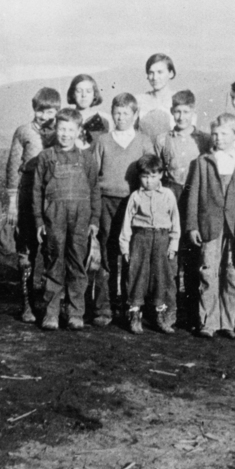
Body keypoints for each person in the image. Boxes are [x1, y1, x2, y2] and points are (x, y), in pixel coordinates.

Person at [186, 113, 235, 338]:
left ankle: (228, 322)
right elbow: (193, 195)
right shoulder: (202, 162)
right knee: (208, 272)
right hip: (209, 225)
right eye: (215, 134)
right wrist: (192, 226)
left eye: (224, 134)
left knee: (232, 273)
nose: (218, 138)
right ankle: (208, 322)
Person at [32, 108, 101, 331]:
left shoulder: (87, 158)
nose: (65, 134)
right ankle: (51, 313)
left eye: (71, 130)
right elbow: (37, 191)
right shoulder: (46, 157)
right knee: (54, 263)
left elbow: (95, 190)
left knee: (77, 264)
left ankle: (75, 312)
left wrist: (94, 219)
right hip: (54, 218)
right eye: (62, 129)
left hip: (81, 218)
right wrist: (39, 221)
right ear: (56, 129)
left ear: (79, 131)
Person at [93, 93, 154, 323]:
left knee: (131, 254)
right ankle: (103, 308)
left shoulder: (144, 141)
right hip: (106, 202)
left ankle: (131, 307)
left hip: (133, 204)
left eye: (126, 113)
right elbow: (93, 175)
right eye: (117, 113)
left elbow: (151, 174)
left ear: (135, 115)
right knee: (107, 253)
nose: (121, 117)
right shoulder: (103, 141)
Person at [155, 89, 211, 328]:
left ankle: (191, 313)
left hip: (194, 200)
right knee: (170, 256)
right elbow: (157, 173)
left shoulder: (204, 140)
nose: (181, 116)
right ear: (171, 112)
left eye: (186, 112)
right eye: (177, 112)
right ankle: (168, 310)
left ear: (193, 113)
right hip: (171, 198)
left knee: (192, 257)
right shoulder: (162, 139)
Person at [5, 87, 61, 322]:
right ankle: (27, 304)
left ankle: (50, 305)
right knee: (27, 249)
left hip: (53, 196)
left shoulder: (61, 133)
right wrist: (12, 203)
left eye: (50, 111)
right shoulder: (24, 132)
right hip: (27, 194)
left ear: (57, 111)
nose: (44, 116)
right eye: (40, 110)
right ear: (34, 109)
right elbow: (12, 168)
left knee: (52, 248)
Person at [120, 154, 180, 335]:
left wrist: (173, 243)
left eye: (153, 176)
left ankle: (160, 315)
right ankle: (134, 314)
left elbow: (175, 220)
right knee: (138, 275)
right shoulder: (135, 196)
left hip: (162, 239)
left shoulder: (168, 195)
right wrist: (125, 246)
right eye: (145, 176)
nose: (149, 181)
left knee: (161, 277)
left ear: (161, 174)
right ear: (139, 176)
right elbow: (127, 222)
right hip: (141, 238)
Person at [136, 53, 176, 142]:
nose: (155, 77)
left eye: (160, 72)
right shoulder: (139, 101)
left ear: (170, 73)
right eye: (151, 73)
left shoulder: (181, 100)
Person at [66, 74, 113, 147]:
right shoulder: (65, 118)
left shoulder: (104, 120)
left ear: (94, 94)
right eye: (79, 91)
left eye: (88, 91)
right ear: (73, 94)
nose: (84, 95)